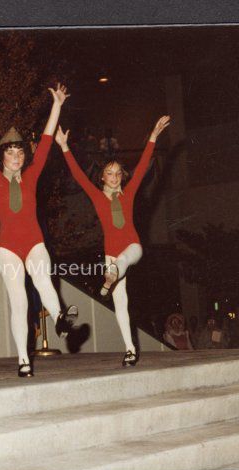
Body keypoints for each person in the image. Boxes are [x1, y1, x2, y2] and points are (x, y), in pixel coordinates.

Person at [0, 82, 79, 377]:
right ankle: (24, 359)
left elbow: (46, 141)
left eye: (20, 153)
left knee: (43, 281)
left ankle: (60, 319)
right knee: (18, 301)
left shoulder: (31, 176)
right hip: (9, 247)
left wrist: (57, 105)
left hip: (34, 242)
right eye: (11, 152)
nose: (17, 157)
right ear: (2, 156)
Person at [55, 115, 170, 366]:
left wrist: (152, 136)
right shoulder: (97, 197)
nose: (115, 177)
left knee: (124, 259)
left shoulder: (128, 193)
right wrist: (64, 147)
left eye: (118, 173)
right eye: (110, 173)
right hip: (110, 253)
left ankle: (112, 275)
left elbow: (142, 166)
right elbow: (79, 176)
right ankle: (129, 349)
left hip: (132, 248)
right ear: (103, 177)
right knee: (120, 302)